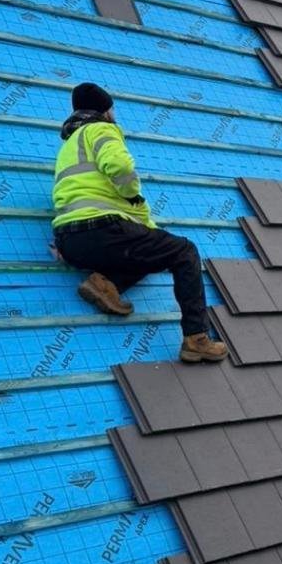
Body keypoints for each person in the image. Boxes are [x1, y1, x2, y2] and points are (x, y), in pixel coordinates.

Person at [51, 82, 227, 363]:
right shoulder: (102, 129)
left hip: (70, 241)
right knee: (185, 251)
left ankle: (104, 285)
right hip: (103, 229)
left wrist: (151, 231)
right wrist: (131, 193)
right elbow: (120, 168)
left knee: (150, 252)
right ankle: (197, 338)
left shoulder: (68, 147)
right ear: (105, 111)